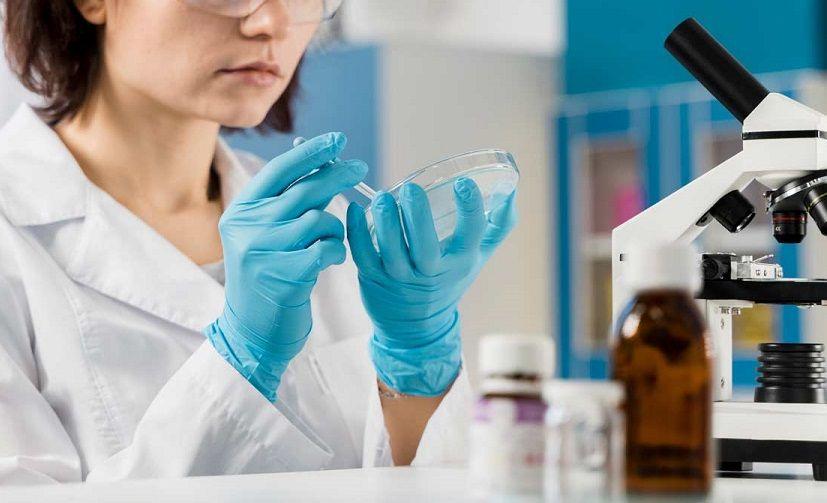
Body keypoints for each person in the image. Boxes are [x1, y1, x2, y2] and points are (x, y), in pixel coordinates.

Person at [0, 0, 518, 484]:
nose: (272, 22)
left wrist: (416, 363)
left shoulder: (323, 225)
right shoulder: (13, 233)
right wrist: (240, 362)